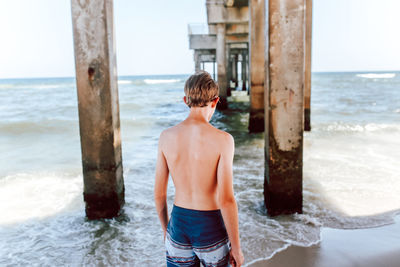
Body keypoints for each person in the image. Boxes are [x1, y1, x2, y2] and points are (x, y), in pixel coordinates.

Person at [154, 71, 244, 267]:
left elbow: (159, 194)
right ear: (215, 101)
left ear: (186, 100)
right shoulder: (224, 140)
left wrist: (166, 231)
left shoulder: (166, 136)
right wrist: (236, 248)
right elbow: (227, 200)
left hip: (177, 226)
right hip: (210, 227)